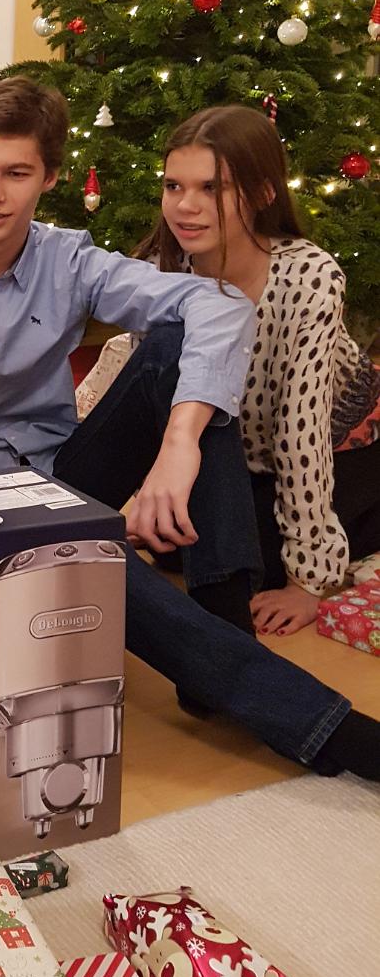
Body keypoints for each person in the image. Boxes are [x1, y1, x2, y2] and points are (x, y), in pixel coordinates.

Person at [0, 78, 380, 780]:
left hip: (57, 473)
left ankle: (221, 623)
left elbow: (219, 309)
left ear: (50, 178)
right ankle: (325, 727)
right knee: (95, 559)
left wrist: (178, 446)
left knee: (176, 344)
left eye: (15, 173)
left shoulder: (70, 259)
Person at [135, 104, 380, 636]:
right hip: (237, 455)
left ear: (264, 193)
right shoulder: (161, 267)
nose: (186, 206)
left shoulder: (309, 277)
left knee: (255, 564)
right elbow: (150, 392)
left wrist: (307, 581)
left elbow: (301, 429)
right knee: (179, 547)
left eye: (212, 189)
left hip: (340, 447)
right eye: (174, 186)